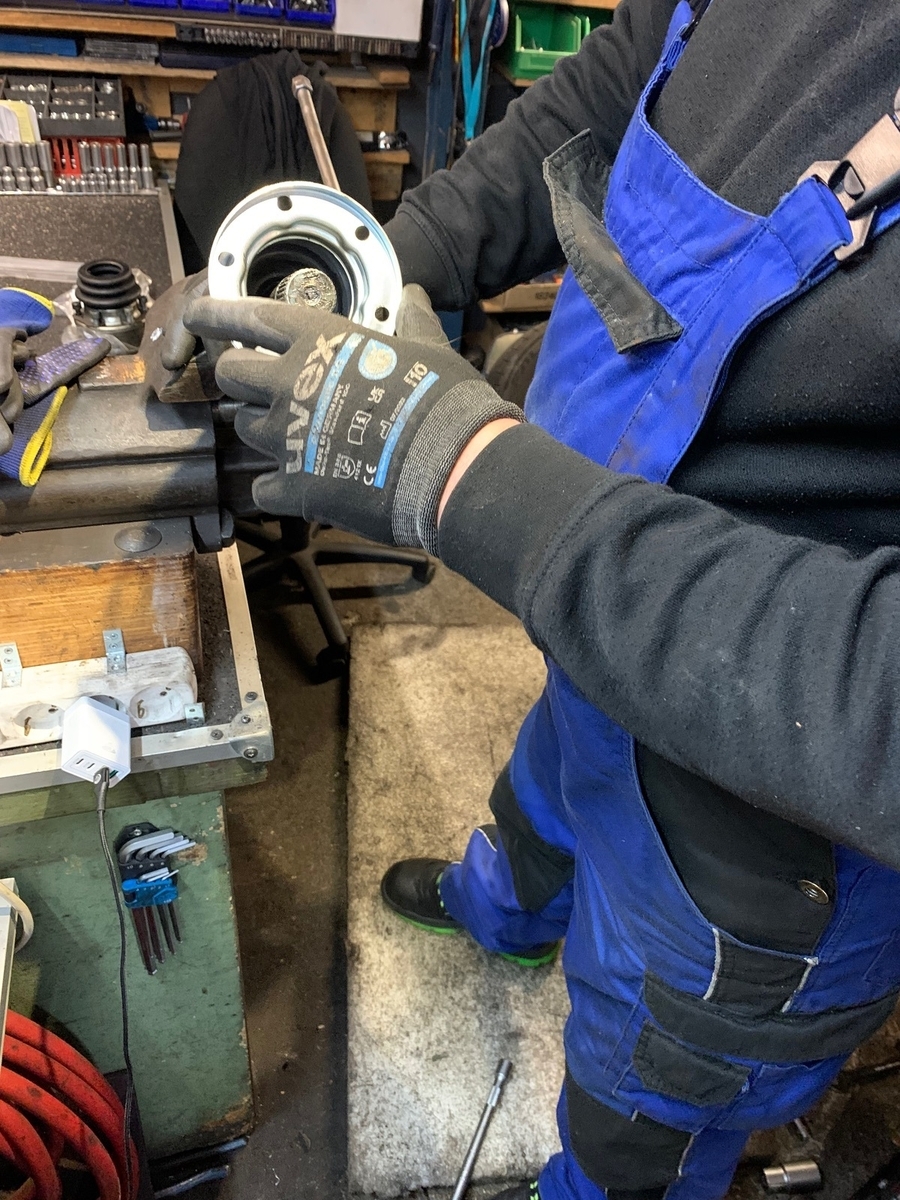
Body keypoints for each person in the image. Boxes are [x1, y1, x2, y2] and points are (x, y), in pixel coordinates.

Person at [173, 2, 900, 1197]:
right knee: (553, 780)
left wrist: (470, 476)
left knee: (643, 1102)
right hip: (581, 600)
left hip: (768, 798)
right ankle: (508, 907)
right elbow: (604, 96)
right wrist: (367, 274)